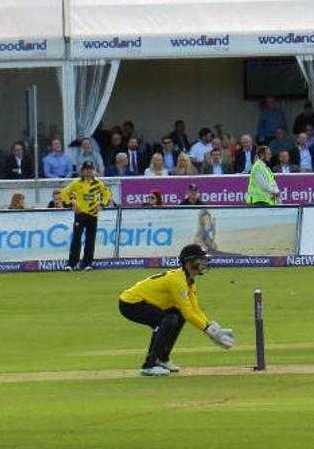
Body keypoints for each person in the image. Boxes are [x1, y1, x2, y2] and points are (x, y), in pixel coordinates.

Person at [118, 244, 234, 376]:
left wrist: (209, 326)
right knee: (168, 320)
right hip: (131, 303)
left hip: (145, 302)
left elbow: (195, 310)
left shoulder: (189, 281)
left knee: (177, 315)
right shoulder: (177, 281)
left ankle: (162, 359)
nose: (204, 263)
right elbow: (189, 314)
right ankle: (149, 365)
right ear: (189, 262)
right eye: (201, 259)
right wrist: (209, 331)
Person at [60, 161, 112, 271]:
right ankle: (72, 264)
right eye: (86, 169)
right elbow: (64, 193)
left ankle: (87, 263)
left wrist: (101, 205)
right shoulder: (77, 183)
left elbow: (107, 194)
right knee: (77, 239)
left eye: (90, 169)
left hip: (93, 213)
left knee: (90, 239)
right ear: (82, 171)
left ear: (93, 170)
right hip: (81, 214)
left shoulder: (98, 183)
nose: (88, 172)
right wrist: (71, 204)